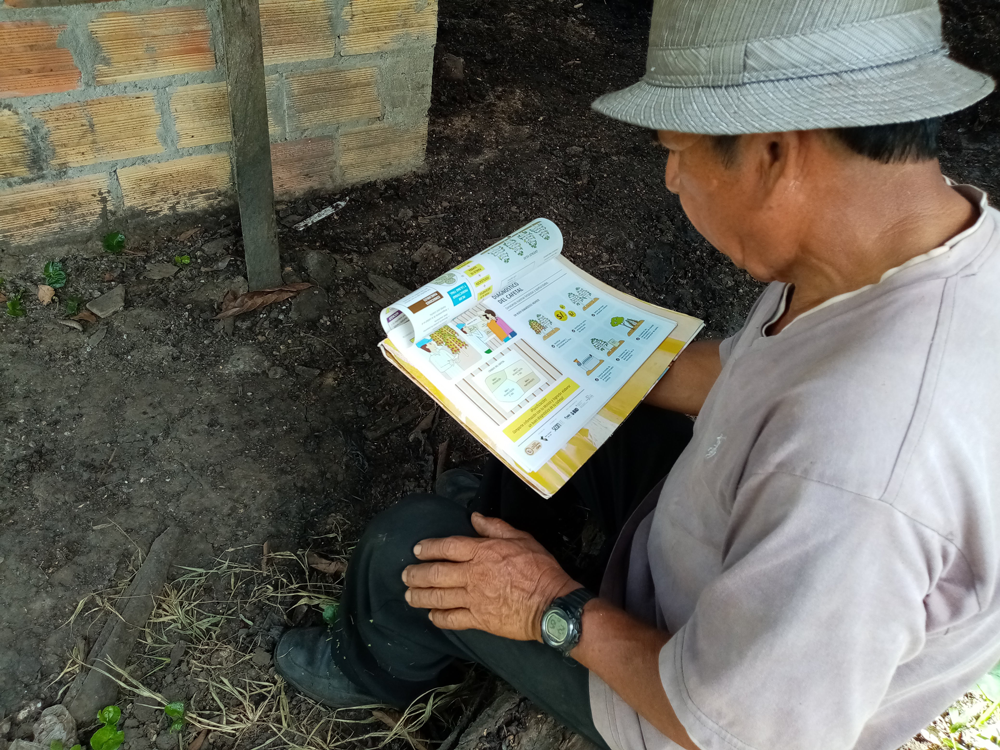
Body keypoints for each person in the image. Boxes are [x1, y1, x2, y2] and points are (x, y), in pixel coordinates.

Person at [275, 1, 1000, 748]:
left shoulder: (862, 466)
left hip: (687, 703)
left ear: (776, 153)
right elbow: (746, 374)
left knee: (407, 549)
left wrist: (549, 606)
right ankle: (510, 525)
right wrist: (554, 357)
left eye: (680, 150)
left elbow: (741, 732)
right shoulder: (908, 258)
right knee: (574, 415)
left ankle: (365, 671)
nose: (670, 176)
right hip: (719, 557)